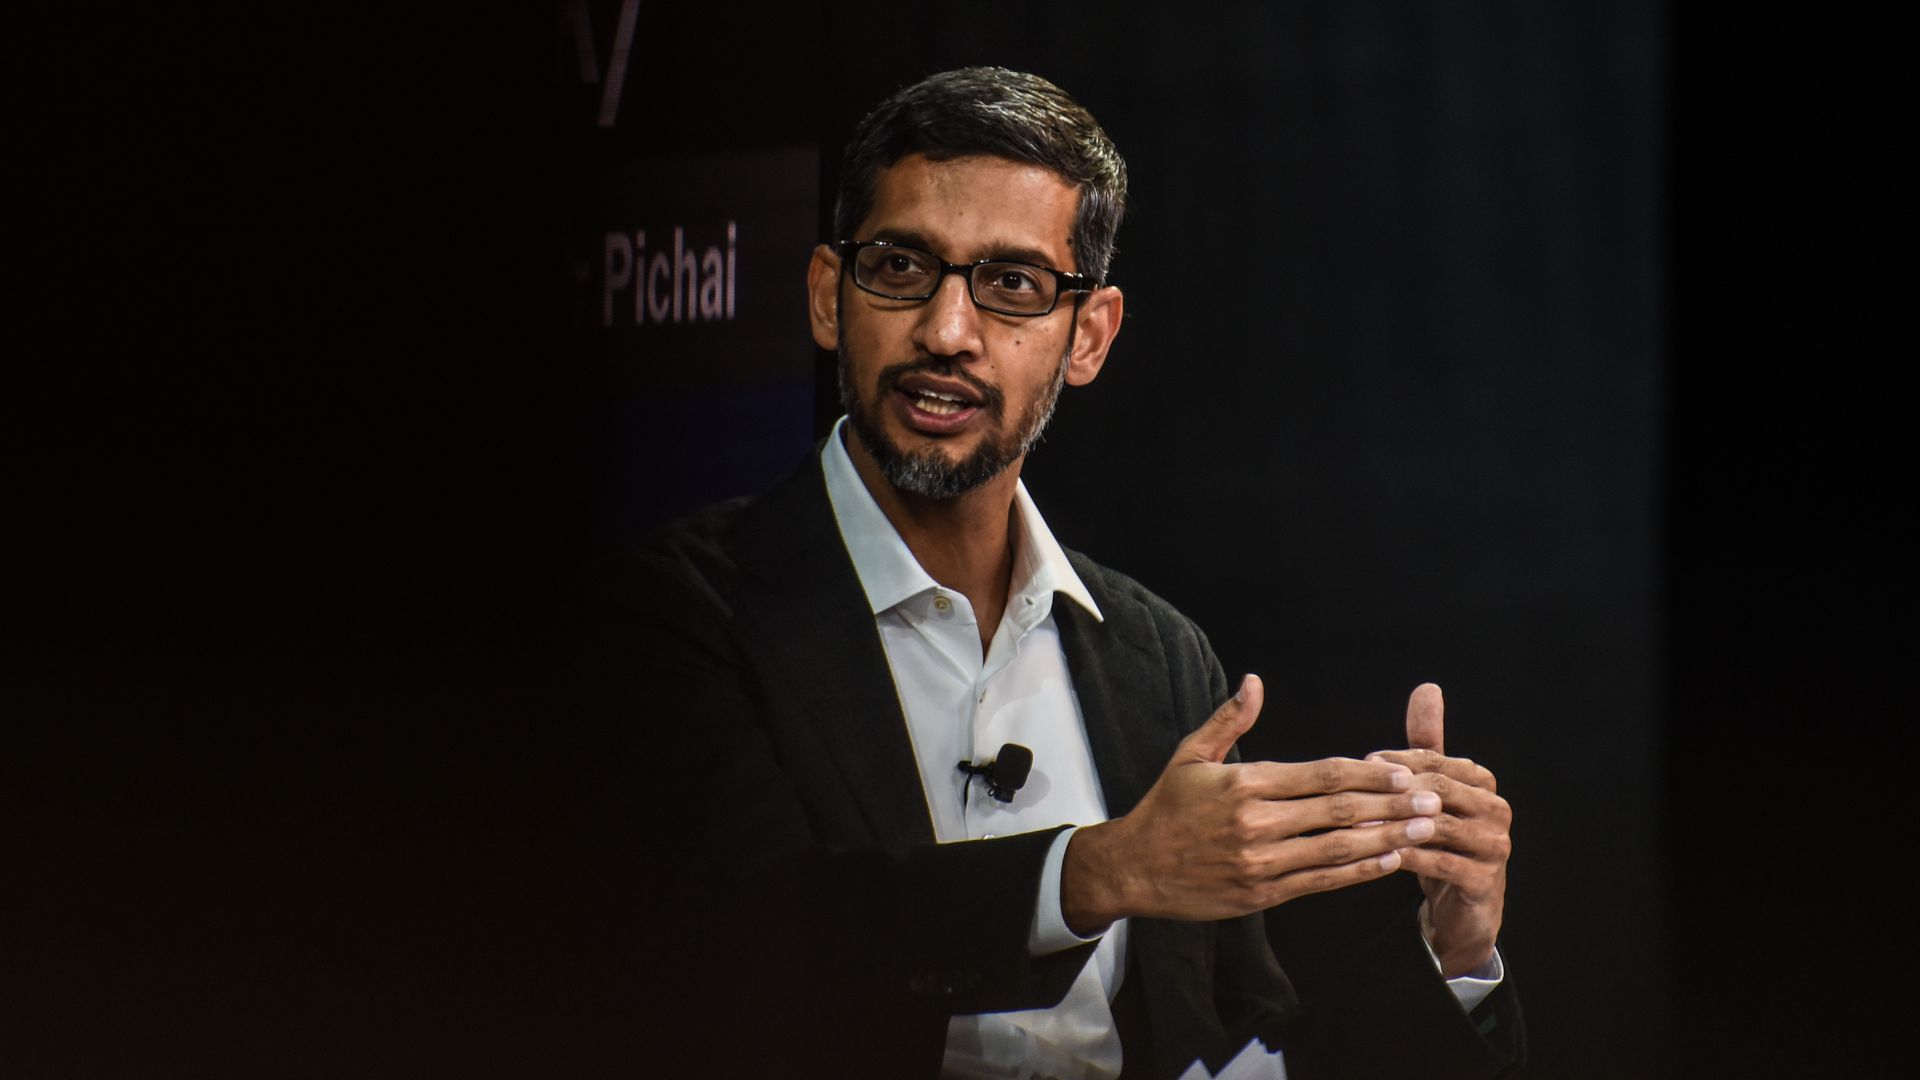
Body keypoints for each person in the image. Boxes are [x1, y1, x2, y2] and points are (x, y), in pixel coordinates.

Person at [628, 66, 1522, 1079]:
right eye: (901, 267)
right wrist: (1101, 870)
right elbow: (746, 953)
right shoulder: (690, 607)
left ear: (1087, 337)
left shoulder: (1158, 659)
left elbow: (1242, 1047)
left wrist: (1453, 952)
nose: (946, 332)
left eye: (1011, 285)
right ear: (829, 296)